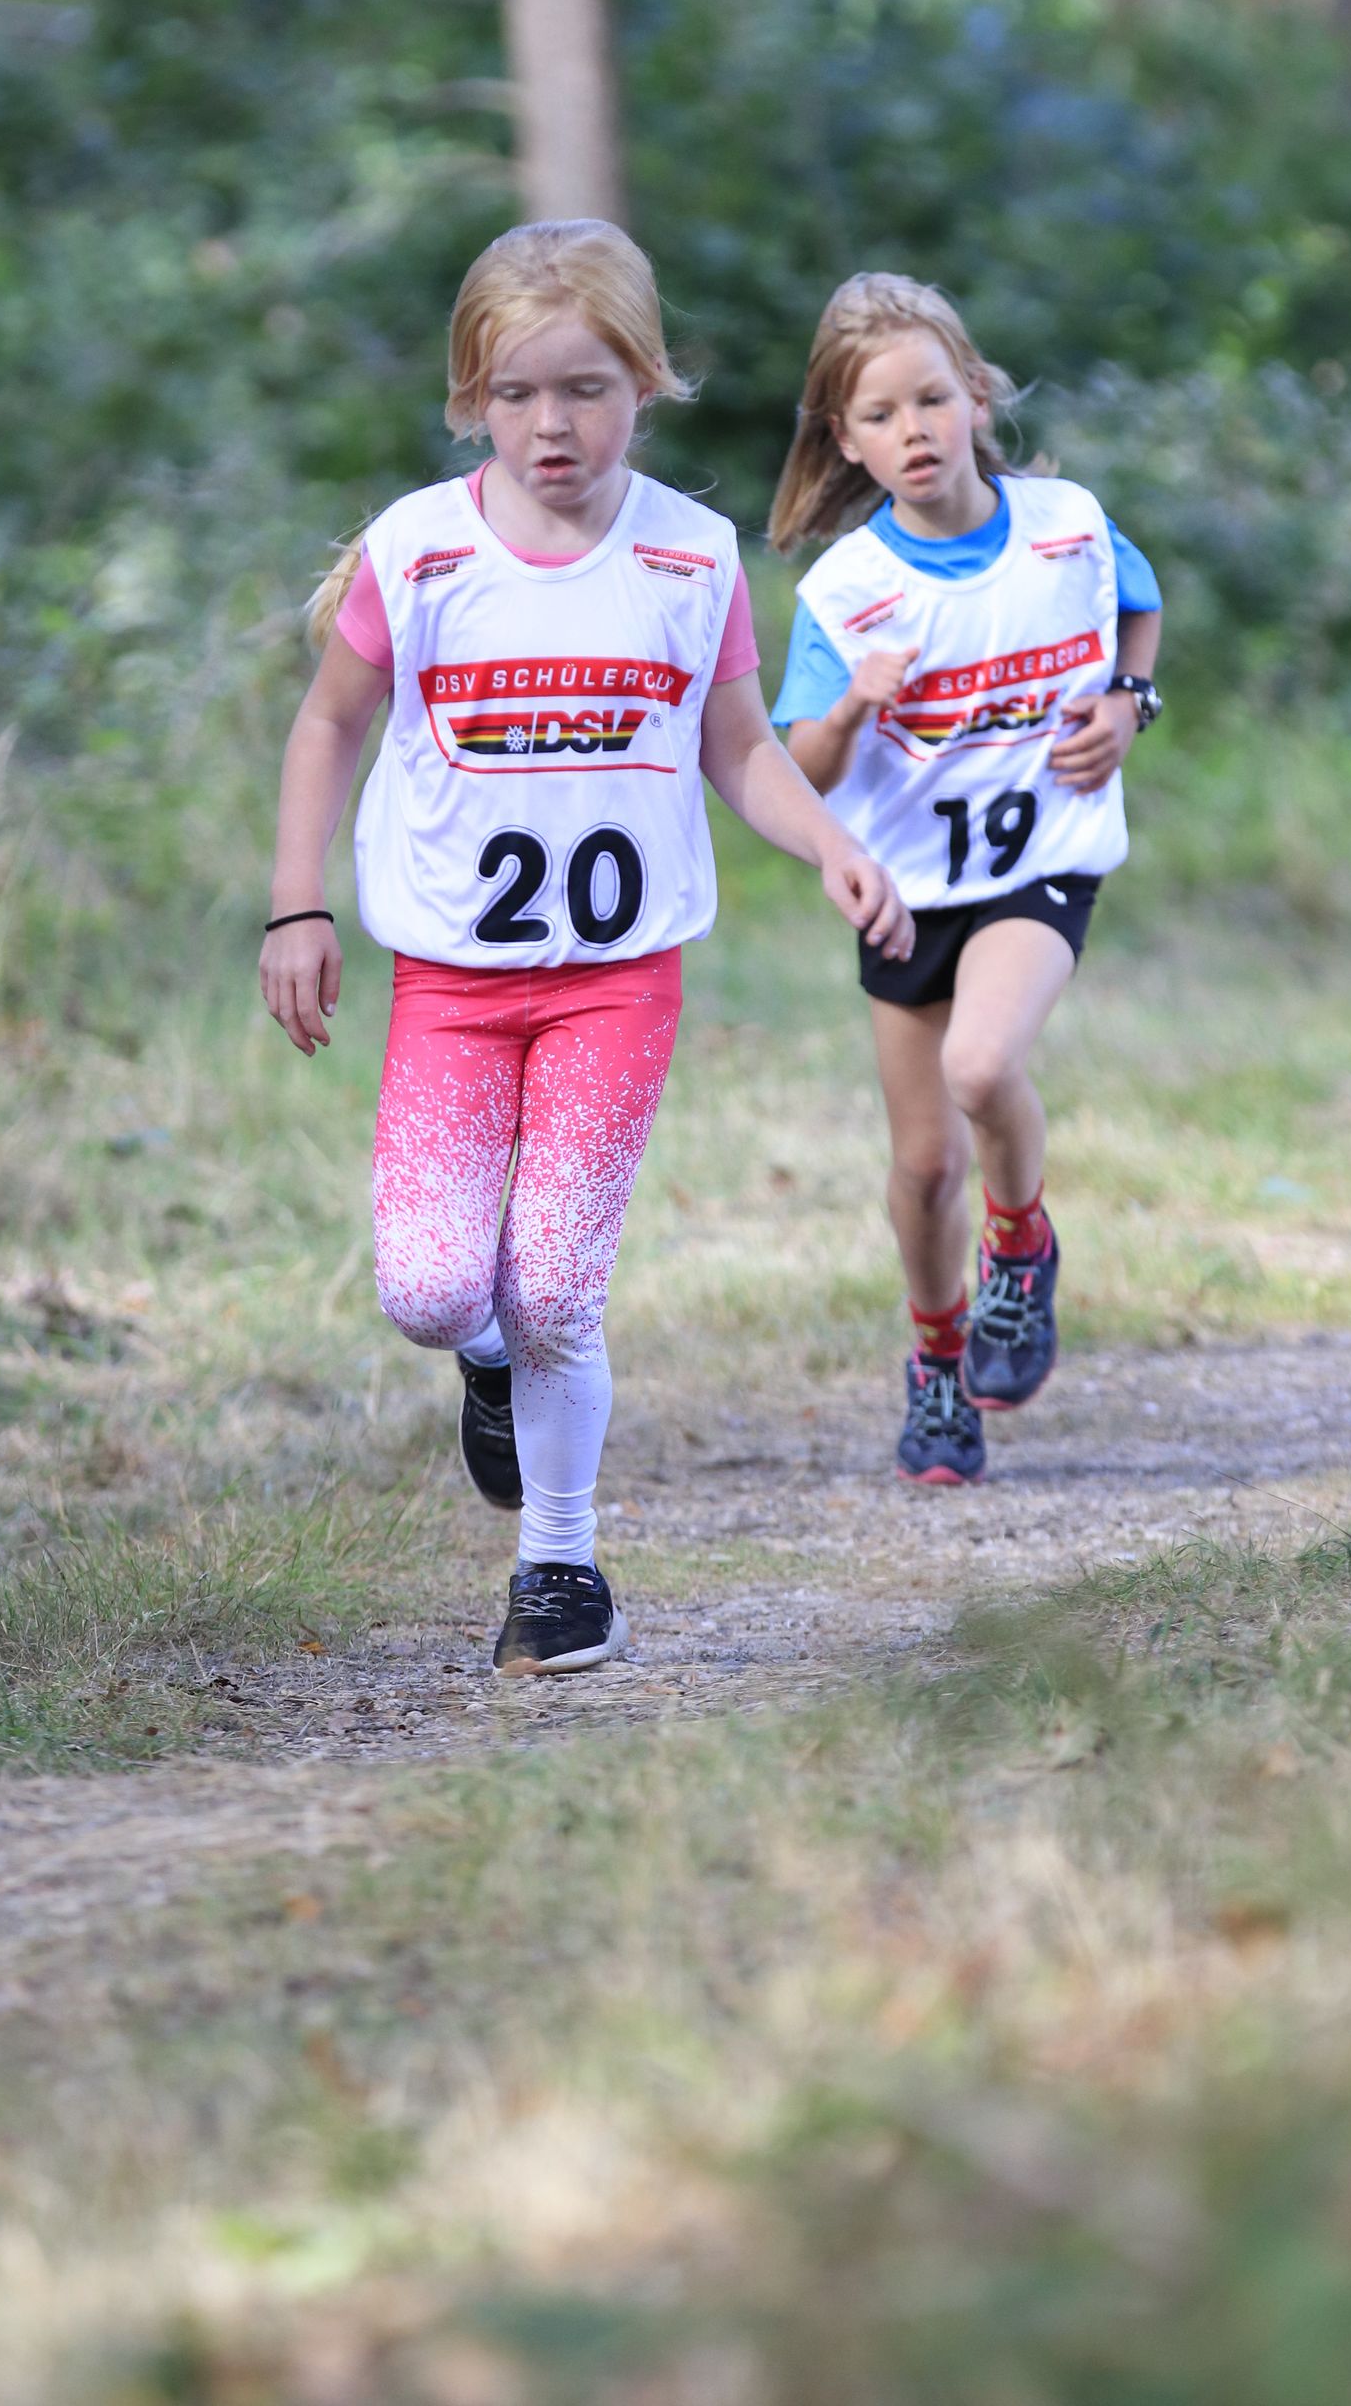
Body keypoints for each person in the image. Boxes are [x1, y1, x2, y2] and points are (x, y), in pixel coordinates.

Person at [262, 220, 912, 1674]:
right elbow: (327, 726)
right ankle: (485, 1362)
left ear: (646, 384)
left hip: (616, 983)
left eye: (586, 390)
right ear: (470, 399)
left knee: (556, 1282)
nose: (550, 425)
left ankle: (559, 1567)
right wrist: (297, 906)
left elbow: (737, 749)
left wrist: (832, 846)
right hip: (450, 982)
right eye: (516, 394)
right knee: (434, 1293)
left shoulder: (687, 555)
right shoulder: (417, 552)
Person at [769, 272, 1163, 1488]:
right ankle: (936, 1364)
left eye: (932, 400)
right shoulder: (845, 592)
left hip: (1039, 863)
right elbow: (800, 767)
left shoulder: (1064, 525)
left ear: (976, 397)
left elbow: (1136, 606)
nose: (914, 431)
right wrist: (852, 705)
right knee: (925, 1162)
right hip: (905, 890)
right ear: (845, 439)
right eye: (880, 415)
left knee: (982, 1066)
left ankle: (1020, 1247)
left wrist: (1126, 702)